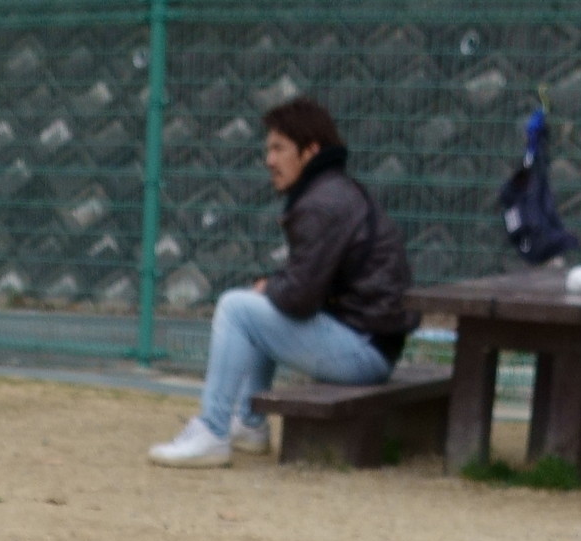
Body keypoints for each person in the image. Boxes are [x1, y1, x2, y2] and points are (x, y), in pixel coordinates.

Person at [148, 99, 413, 468]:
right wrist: (272, 288)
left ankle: (212, 430)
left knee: (236, 308)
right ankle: (250, 424)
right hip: (370, 342)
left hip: (362, 352)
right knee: (256, 307)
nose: (269, 160)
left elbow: (300, 297)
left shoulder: (322, 203)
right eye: (268, 149)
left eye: (279, 149)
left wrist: (270, 288)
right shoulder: (332, 191)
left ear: (311, 151)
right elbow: (308, 285)